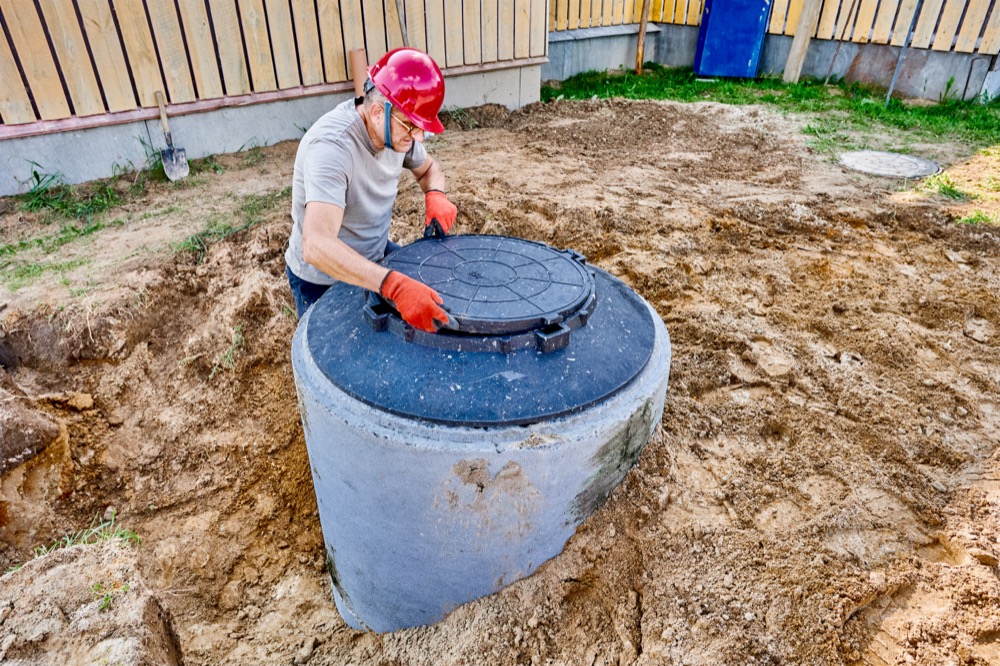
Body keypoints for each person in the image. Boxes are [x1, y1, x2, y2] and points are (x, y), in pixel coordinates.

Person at [284, 47, 459, 332]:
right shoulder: (332, 148)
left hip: (375, 255)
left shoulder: (395, 131)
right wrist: (393, 285)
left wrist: (435, 195)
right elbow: (316, 245)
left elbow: (429, 170)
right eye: (412, 127)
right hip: (323, 279)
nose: (419, 136)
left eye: (422, 128)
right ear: (378, 111)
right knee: (339, 362)